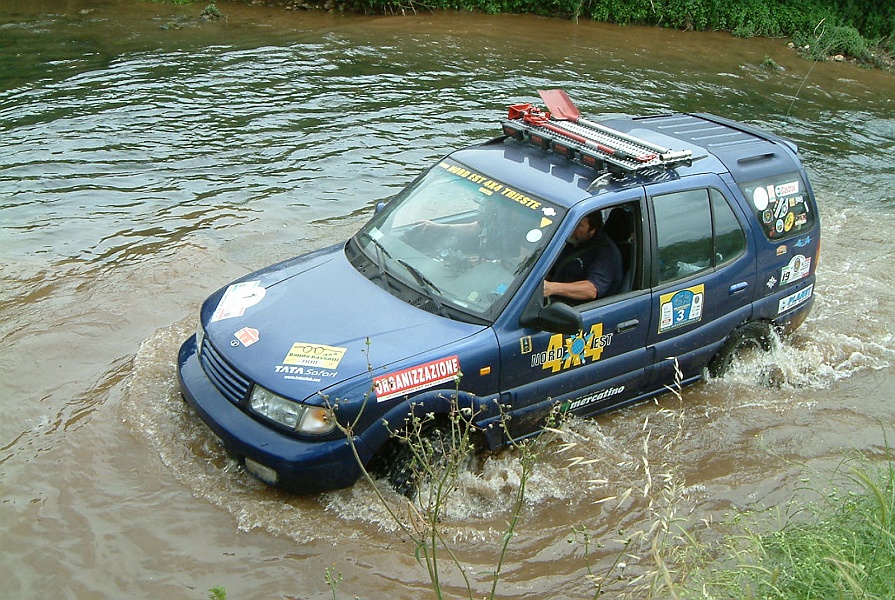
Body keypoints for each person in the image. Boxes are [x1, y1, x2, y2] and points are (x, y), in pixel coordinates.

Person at [544, 212, 623, 304]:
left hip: (578, 310)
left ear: (592, 230)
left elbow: (592, 289)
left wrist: (552, 288)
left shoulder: (606, 253)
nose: (572, 228)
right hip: (552, 300)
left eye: (578, 225)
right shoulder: (570, 240)